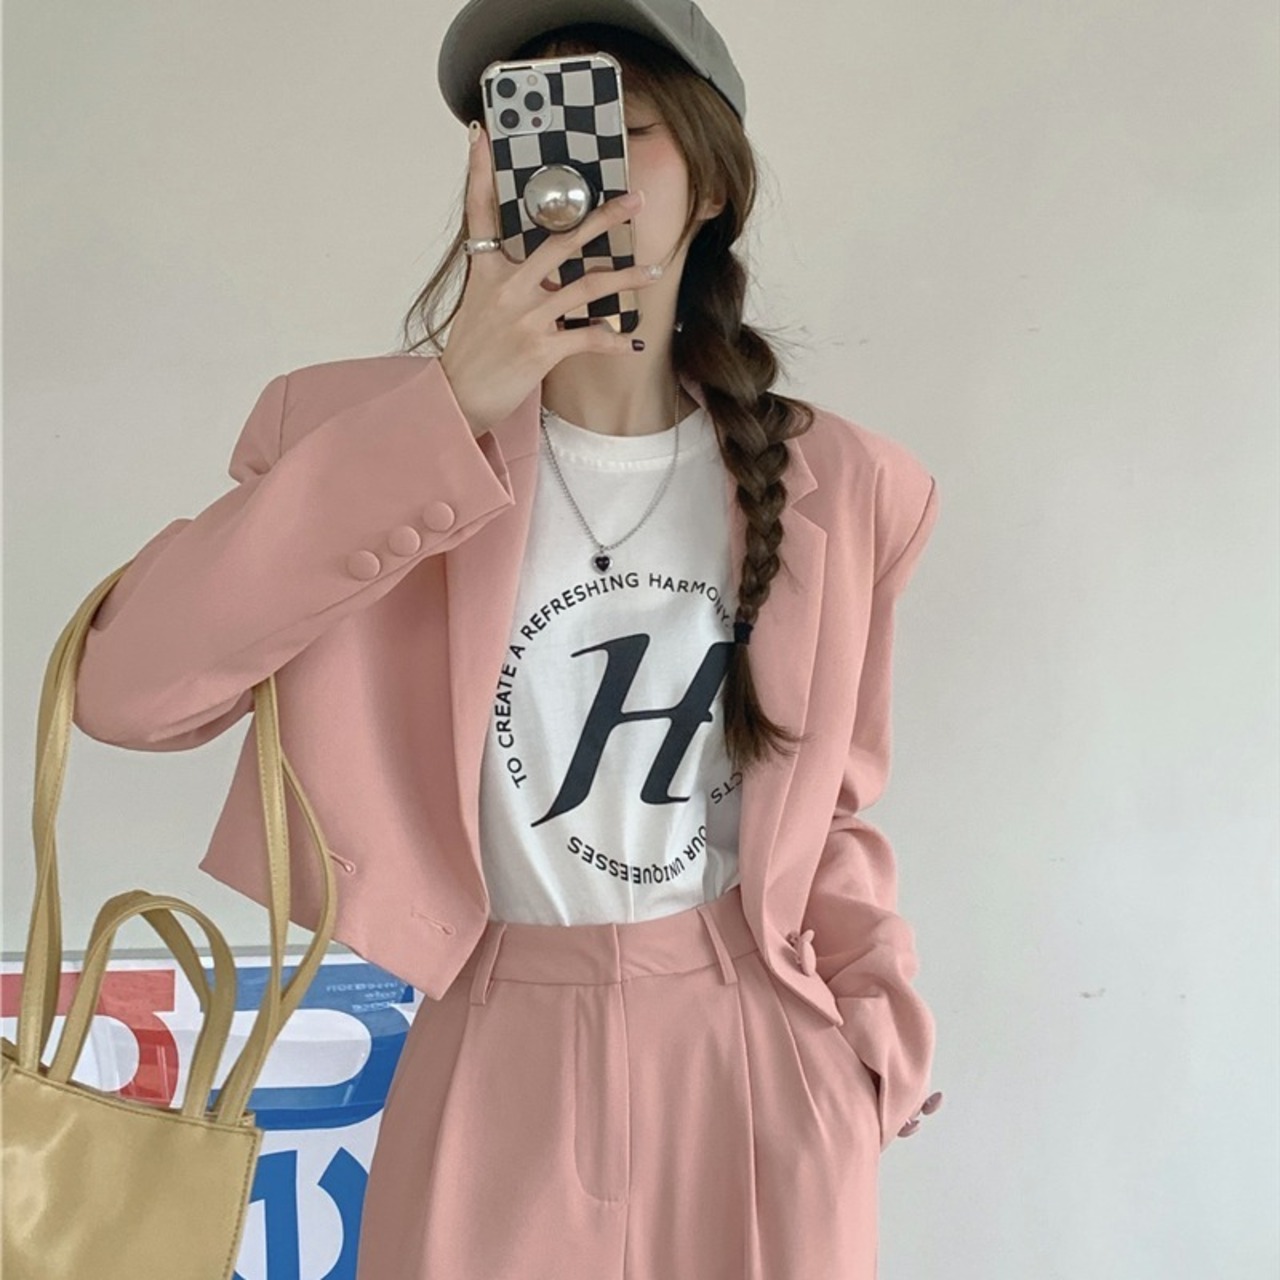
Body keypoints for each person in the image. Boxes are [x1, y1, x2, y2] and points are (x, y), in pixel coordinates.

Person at [72, 2, 943, 1277]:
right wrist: (445, 411)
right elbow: (127, 693)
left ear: (711, 181)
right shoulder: (347, 434)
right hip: (492, 1033)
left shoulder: (848, 485)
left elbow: (833, 801)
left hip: (760, 1057)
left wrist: (871, 1033)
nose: (573, 176)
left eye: (621, 129)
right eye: (531, 133)